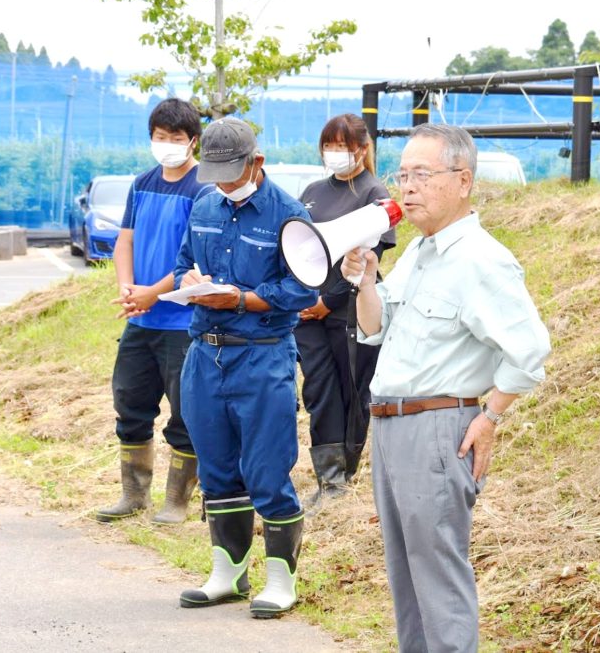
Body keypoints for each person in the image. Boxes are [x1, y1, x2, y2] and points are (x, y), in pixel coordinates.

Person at [340, 123, 551, 651]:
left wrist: (491, 416)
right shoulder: (419, 252)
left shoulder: (482, 259)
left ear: (463, 181)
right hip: (392, 427)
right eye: (402, 174)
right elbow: (374, 328)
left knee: (438, 577)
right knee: (406, 577)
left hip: (436, 428)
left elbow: (529, 348)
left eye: (421, 175)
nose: (406, 187)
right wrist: (365, 279)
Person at [173, 117, 318, 618]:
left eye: (231, 174)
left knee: (266, 466)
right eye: (214, 174)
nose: (222, 184)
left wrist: (238, 298)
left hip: (262, 355)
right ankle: (228, 572)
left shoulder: (289, 215)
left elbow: (303, 290)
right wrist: (188, 279)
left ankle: (282, 579)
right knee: (215, 465)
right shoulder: (204, 204)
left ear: (257, 163)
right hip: (204, 353)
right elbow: (181, 261)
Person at [96, 98, 214, 525]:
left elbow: (196, 260)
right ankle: (134, 495)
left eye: (176, 139)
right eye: (160, 138)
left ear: (193, 142)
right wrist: (129, 290)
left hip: (181, 320)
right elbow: (123, 241)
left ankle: (177, 501)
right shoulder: (143, 182)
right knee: (129, 402)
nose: (166, 145)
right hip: (140, 319)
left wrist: (154, 293)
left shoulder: (203, 189)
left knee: (185, 413)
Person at [294, 114, 396, 507]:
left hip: (351, 309)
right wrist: (305, 300)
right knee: (319, 390)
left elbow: (368, 257)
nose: (335, 154)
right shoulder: (313, 191)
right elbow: (298, 247)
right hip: (308, 313)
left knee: (352, 391)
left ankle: (345, 473)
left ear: (362, 149)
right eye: (329, 146)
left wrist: (329, 301)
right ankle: (329, 479)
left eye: (343, 146)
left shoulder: (374, 194)